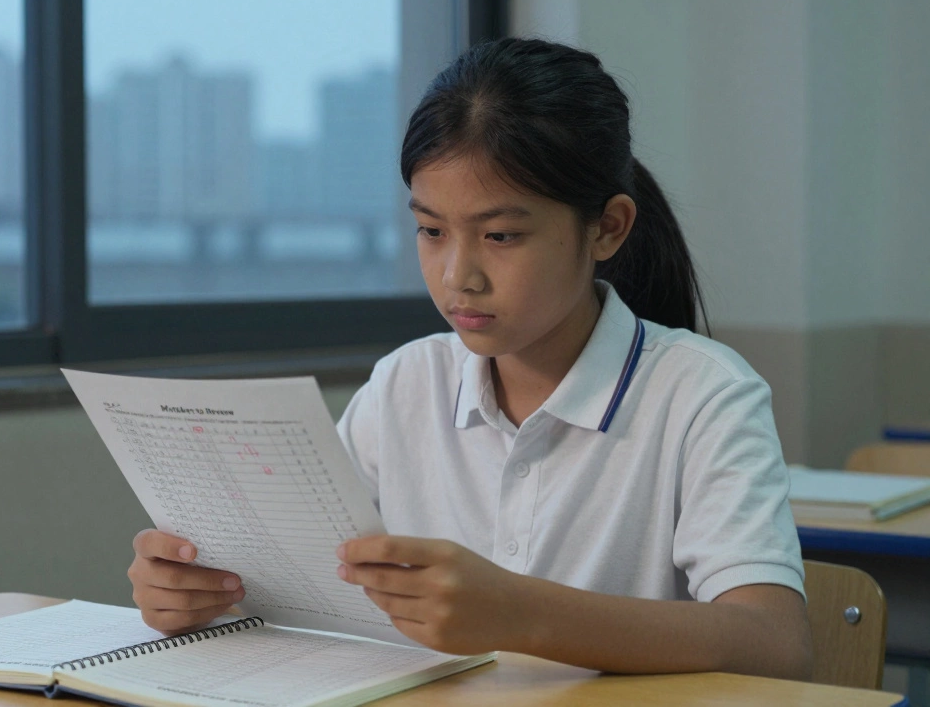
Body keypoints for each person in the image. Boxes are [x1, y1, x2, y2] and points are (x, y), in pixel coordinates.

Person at [126, 37, 812, 680]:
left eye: (501, 236)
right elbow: (306, 585)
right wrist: (201, 592)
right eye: (430, 230)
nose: (459, 276)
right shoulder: (405, 384)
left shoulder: (702, 395)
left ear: (607, 228)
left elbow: (777, 645)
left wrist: (520, 613)